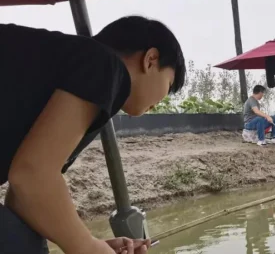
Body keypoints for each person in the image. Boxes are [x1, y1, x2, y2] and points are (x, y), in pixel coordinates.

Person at [0, 16, 185, 253]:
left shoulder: (74, 68)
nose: (159, 102)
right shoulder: (105, 66)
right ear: (151, 60)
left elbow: (23, 198)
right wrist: (88, 248)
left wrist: (93, 244)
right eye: (168, 85)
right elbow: (31, 176)